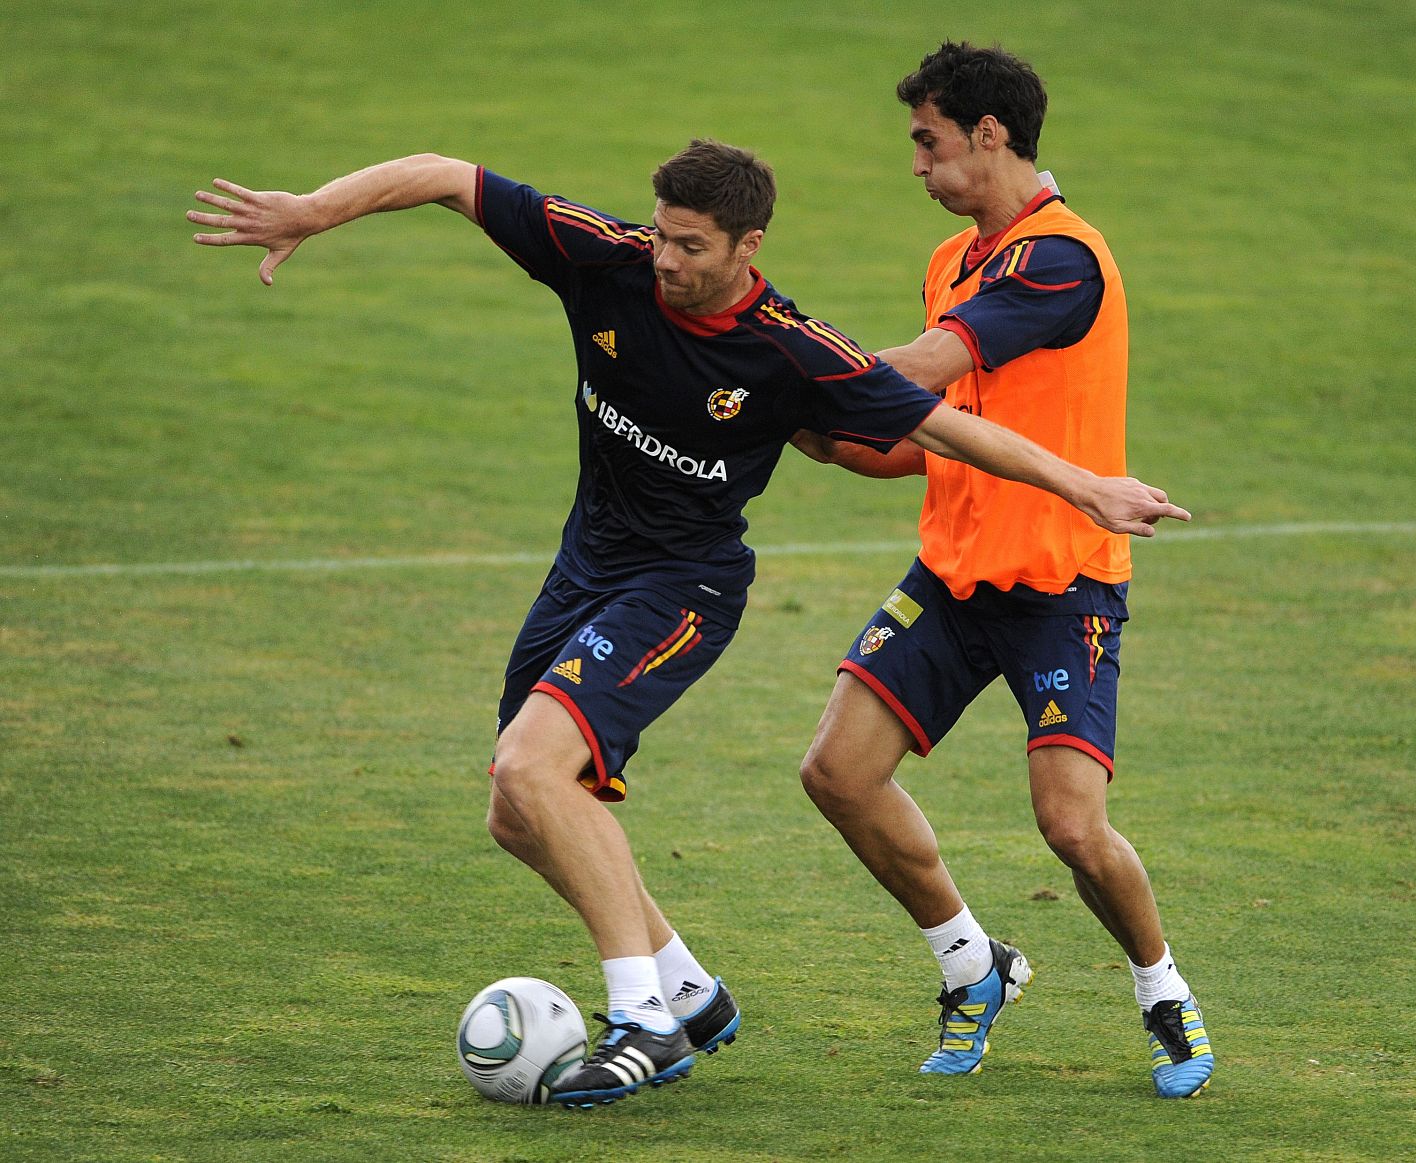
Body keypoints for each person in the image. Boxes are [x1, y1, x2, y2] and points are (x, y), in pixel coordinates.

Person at [187, 139, 1189, 1107]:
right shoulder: (607, 259)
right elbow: (449, 175)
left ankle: (643, 1020)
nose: (666, 259)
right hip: (584, 568)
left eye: (691, 245)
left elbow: (938, 420)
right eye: (662, 236)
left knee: (539, 767)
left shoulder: (792, 350)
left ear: (747, 245)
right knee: (515, 806)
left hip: (684, 589)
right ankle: (689, 990)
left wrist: (1081, 483)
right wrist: (316, 210)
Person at [794, 43, 1214, 1098]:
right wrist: (805, 429)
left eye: (926, 142)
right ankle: (972, 965)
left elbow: (929, 369)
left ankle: (1161, 986)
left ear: (989, 134)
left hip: (1061, 582)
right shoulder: (952, 260)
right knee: (836, 772)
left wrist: (776, 366)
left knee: (1070, 823)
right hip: (952, 573)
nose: (918, 166)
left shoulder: (1058, 258)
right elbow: (926, 430)